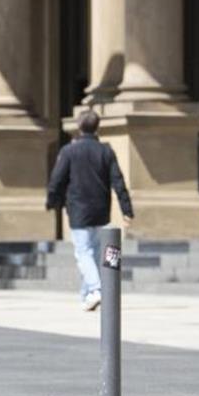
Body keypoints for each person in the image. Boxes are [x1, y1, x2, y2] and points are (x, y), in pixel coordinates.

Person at [46, 110, 134, 311]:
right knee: (93, 253)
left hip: (79, 210)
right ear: (97, 127)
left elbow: (57, 180)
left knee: (83, 252)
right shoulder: (106, 151)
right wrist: (126, 209)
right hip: (101, 210)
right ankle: (87, 296)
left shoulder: (69, 151)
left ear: (79, 126)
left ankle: (96, 289)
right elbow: (118, 181)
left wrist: (52, 201)